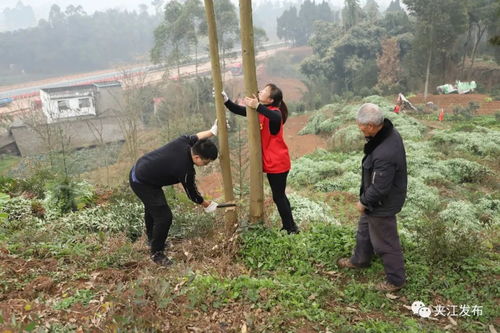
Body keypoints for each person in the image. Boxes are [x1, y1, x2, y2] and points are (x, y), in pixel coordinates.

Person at [337, 103, 407, 292]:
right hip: (376, 200)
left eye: (361, 125)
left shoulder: (385, 152)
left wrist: (364, 201)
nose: (359, 129)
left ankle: (395, 280)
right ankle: (360, 260)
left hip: (382, 202)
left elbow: (380, 187)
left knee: (385, 241)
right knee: (364, 230)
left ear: (370, 126)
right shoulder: (384, 134)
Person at [129, 122, 220, 267]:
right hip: (142, 181)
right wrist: (206, 204)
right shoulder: (185, 170)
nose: (207, 165)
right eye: (206, 162)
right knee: (164, 216)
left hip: (142, 170)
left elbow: (196, 136)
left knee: (153, 208)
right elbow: (192, 194)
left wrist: (211, 132)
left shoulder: (183, 142)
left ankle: (152, 239)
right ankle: (156, 252)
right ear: (197, 158)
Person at [218, 84, 298, 233]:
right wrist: (226, 100)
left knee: (279, 197)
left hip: (278, 162)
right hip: (271, 162)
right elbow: (239, 110)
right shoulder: (260, 112)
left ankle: (291, 228)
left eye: (264, 91)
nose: (260, 91)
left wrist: (257, 105)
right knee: (278, 196)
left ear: (270, 99)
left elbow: (276, 116)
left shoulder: (274, 113)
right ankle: (290, 227)